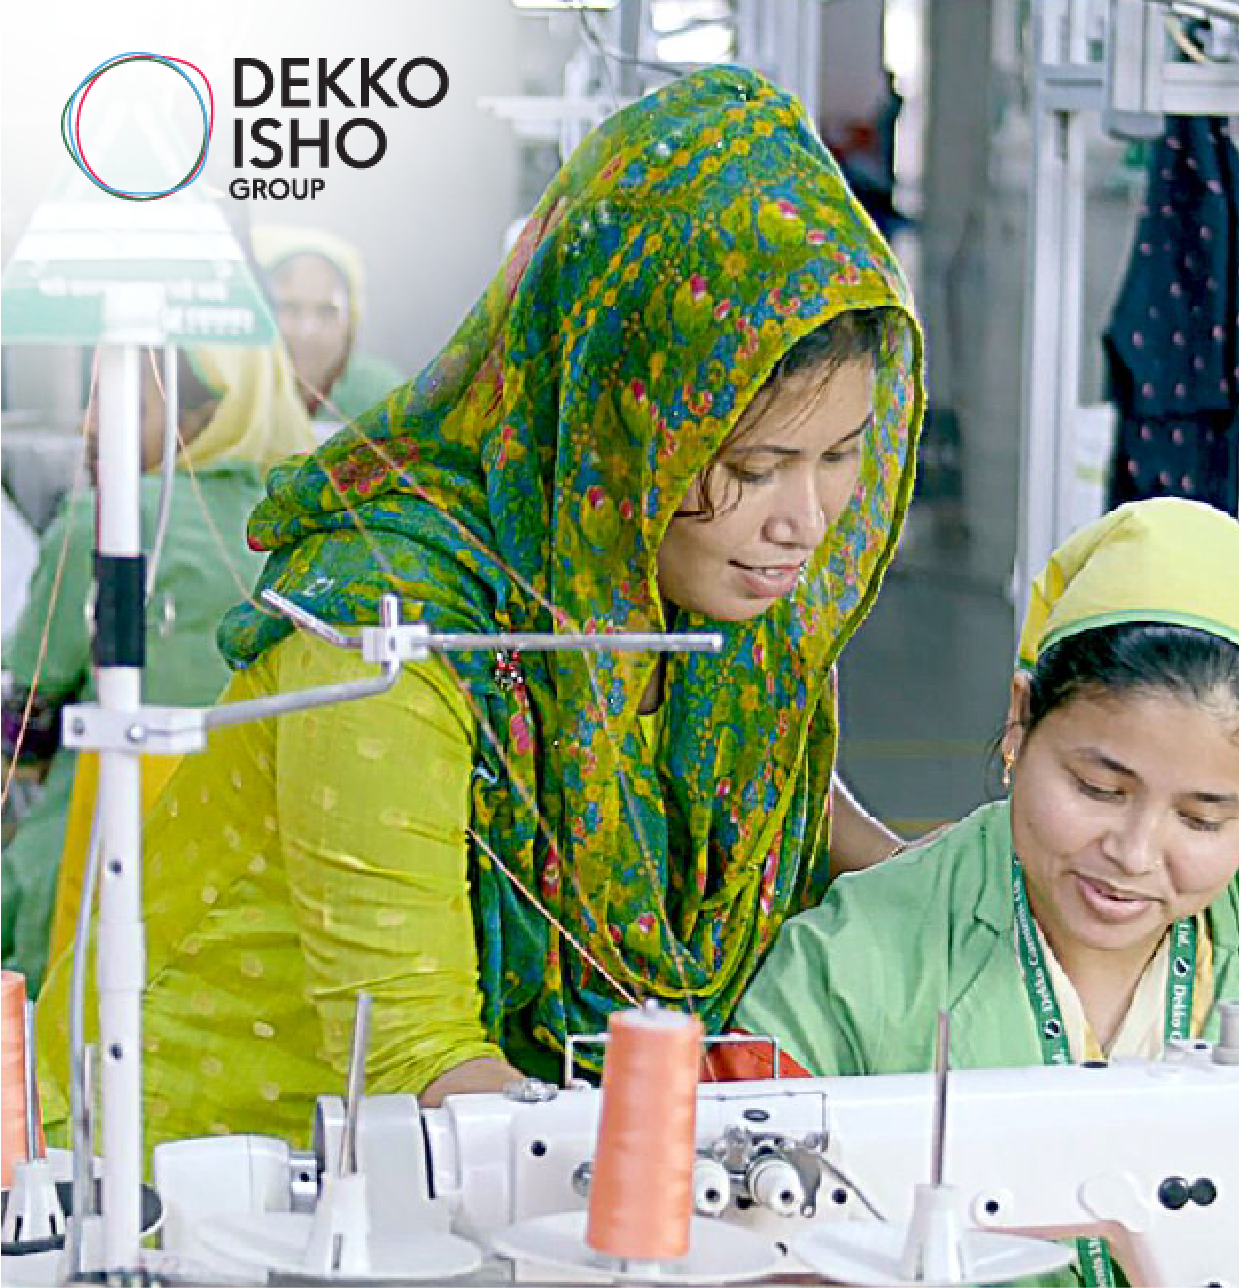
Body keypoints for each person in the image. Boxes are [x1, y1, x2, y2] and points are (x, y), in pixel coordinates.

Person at [36, 66, 924, 1151]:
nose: (809, 519)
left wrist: (1026, 882)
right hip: (208, 1177)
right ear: (617, 420)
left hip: (489, 1172)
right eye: (754, 464)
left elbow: (829, 833)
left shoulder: (717, 626)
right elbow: (424, 1063)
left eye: (841, 457)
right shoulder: (390, 629)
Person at [734, 497, 1239, 1284]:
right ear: (1019, 721)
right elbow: (738, 1245)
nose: (1134, 854)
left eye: (1203, 820)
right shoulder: (849, 965)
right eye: (1097, 788)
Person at [2, 344, 315, 993]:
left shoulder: (110, 519)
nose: (90, 425)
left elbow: (26, 703)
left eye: (122, 404)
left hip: (90, 869)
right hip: (246, 886)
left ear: (201, 419)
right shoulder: (295, 530)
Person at [250, 224, 405, 425]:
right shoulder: (223, 393)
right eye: (290, 308)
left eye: (327, 312)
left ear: (351, 324)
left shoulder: (383, 398)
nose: (307, 331)